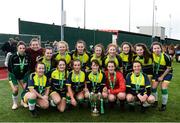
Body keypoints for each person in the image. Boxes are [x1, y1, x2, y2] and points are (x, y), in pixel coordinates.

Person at [8, 41, 30, 110]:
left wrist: (25, 77)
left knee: (26, 88)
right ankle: (15, 103)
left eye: (23, 48)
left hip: (23, 76)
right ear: (17, 48)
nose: (22, 50)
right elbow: (10, 69)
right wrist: (15, 79)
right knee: (15, 89)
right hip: (13, 75)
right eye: (20, 48)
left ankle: (23, 101)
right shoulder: (12, 56)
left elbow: (28, 69)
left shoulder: (27, 57)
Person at [151, 42, 173, 111]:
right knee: (153, 88)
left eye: (158, 48)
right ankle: (155, 102)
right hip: (157, 73)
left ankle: (164, 105)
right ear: (152, 49)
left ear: (161, 49)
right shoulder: (152, 55)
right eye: (155, 48)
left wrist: (162, 77)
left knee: (163, 88)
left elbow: (169, 68)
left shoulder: (166, 56)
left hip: (167, 73)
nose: (156, 50)